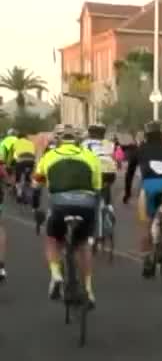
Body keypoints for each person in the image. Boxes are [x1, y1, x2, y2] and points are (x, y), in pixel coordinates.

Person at [34, 125, 103, 304]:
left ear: (57, 141)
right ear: (79, 141)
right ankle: (88, 289)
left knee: (52, 238)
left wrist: (36, 206)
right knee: (83, 244)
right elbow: (97, 188)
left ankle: (56, 275)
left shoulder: (49, 156)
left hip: (60, 204)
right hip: (86, 203)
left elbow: (37, 183)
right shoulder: (90, 156)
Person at [123, 121, 162, 277]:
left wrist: (127, 194)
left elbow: (129, 174)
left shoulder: (140, 150)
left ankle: (148, 260)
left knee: (147, 224)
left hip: (150, 187)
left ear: (146, 134)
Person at [82, 124, 118, 207]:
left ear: (90, 133)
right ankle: (108, 208)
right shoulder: (109, 143)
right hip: (109, 172)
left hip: (93, 170)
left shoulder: (85, 143)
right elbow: (112, 156)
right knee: (106, 186)